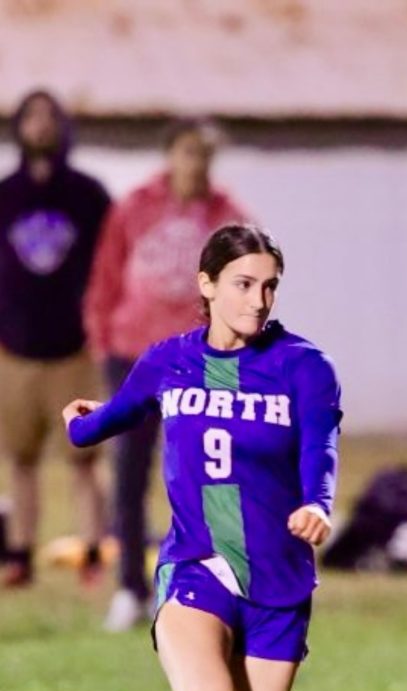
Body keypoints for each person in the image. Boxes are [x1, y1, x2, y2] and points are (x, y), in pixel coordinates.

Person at [25, 224, 342, 691]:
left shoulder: (305, 368)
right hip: (196, 573)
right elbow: (106, 421)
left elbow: (321, 451)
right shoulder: (169, 361)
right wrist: (80, 422)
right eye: (243, 284)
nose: (258, 300)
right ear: (207, 284)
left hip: (280, 593)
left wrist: (318, 505)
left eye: (269, 286)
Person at [84, 117, 248, 630]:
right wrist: (103, 343)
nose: (194, 164)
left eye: (204, 154)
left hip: (200, 361)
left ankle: (203, 587)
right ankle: (130, 588)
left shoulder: (228, 217)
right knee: (129, 473)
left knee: (203, 475)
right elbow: (106, 277)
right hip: (135, 354)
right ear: (170, 154)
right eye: (186, 152)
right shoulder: (134, 207)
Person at [0, 89, 110, 587]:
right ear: (19, 127)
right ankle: (20, 555)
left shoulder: (87, 195)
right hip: (16, 353)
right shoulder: (6, 195)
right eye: (31, 116)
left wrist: (100, 326)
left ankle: (92, 553)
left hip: (73, 350)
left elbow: (111, 266)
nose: (40, 125)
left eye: (49, 116)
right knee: (21, 460)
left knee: (84, 460)